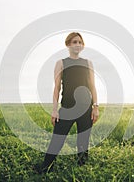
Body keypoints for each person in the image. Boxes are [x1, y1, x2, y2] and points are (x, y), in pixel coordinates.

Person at [35, 32, 99, 174]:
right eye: (75, 42)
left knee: (83, 142)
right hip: (67, 108)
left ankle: (81, 170)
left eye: (80, 42)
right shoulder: (61, 63)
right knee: (57, 140)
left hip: (85, 108)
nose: (78, 45)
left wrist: (95, 107)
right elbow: (57, 88)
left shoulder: (88, 63)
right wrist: (54, 109)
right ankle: (45, 168)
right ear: (68, 44)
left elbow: (92, 86)